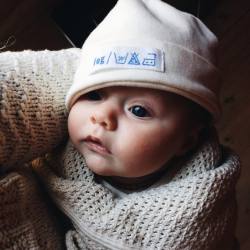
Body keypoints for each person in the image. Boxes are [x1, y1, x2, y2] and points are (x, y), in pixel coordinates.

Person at [0, 0, 240, 249]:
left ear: (186, 141)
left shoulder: (190, 216)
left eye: (138, 110)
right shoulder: (56, 155)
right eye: (94, 95)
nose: (102, 117)